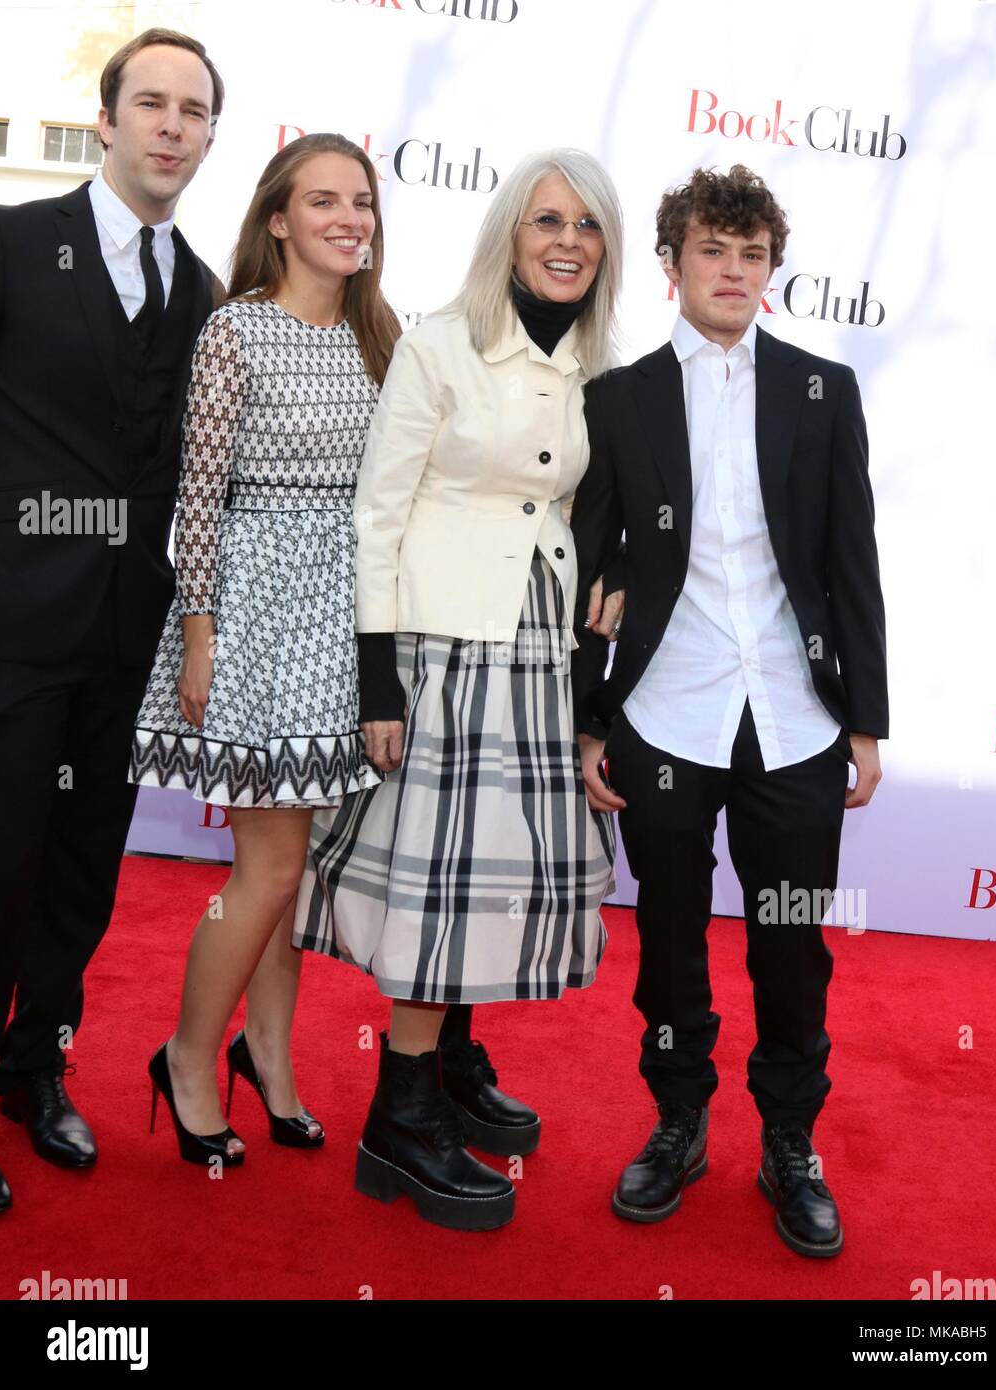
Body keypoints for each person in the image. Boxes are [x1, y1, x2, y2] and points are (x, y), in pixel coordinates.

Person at [292, 148, 625, 1230]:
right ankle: (397, 1114)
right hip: (439, 642)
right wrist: (376, 677)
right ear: (508, 236)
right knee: (444, 880)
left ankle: (450, 1063)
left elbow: (574, 510)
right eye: (546, 221)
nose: (566, 240)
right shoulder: (440, 343)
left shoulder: (594, 359)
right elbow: (375, 515)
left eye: (585, 224)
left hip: (533, 639)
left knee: (501, 868)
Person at [571, 163, 888, 1258]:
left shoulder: (820, 389)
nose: (733, 270)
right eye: (713, 250)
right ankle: (677, 1119)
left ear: (769, 269)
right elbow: (587, 567)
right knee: (666, 935)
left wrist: (864, 717)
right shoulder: (617, 399)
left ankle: (789, 1140)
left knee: (792, 941)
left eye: (751, 254)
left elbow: (853, 564)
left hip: (796, 716)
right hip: (663, 710)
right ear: (671, 266)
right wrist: (588, 716)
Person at [130, 133, 396, 1165]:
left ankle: (269, 1058)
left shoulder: (383, 335)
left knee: (291, 869)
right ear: (277, 220)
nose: (347, 218)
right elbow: (198, 494)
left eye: (361, 201)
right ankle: (189, 1058)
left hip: (344, 615)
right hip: (252, 613)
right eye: (322, 200)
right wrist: (200, 633)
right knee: (271, 862)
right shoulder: (234, 330)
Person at [0, 29, 225, 1207]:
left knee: (83, 869)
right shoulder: (16, 245)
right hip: (13, 628)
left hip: (125, 639)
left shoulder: (201, 294)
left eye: (193, 111)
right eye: (152, 103)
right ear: (107, 123)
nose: (171, 126)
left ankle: (34, 1065)